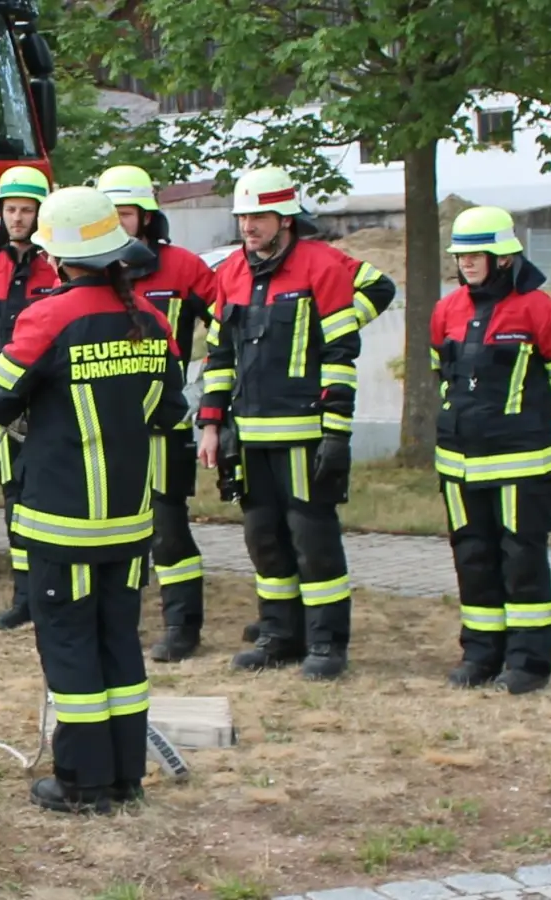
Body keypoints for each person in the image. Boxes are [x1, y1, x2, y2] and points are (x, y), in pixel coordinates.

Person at [0, 185, 186, 814]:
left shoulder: (47, 316)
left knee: (70, 650)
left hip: (61, 524)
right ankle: (126, 776)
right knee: (118, 644)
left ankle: (81, 783)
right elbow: (169, 410)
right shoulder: (151, 322)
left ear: (56, 255)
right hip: (128, 524)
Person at [196, 166, 361, 681]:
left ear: (285, 218)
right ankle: (279, 635)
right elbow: (219, 355)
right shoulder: (231, 273)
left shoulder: (324, 266)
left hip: (305, 433)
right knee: (263, 539)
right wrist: (211, 425)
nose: (249, 226)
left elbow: (340, 353)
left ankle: (327, 642)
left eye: (260, 216)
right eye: (244, 216)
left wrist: (336, 431)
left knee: (313, 542)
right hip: (250, 435)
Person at [430, 206, 551, 695]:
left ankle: (529, 662)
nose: (467, 262)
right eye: (461, 254)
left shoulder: (540, 309)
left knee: (521, 561)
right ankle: (480, 653)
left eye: (477, 254)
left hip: (522, 464)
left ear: (505, 256)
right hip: (459, 464)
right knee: (472, 557)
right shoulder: (447, 309)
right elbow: (441, 371)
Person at [96, 165, 219, 662]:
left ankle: (181, 627)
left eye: (124, 214)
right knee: (113, 527)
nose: (117, 223)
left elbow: (229, 324)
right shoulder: (92, 270)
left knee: (169, 527)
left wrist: (210, 387)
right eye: (108, 215)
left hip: (165, 425)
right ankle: (118, 620)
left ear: (146, 217)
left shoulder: (184, 267)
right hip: (106, 425)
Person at [0, 165, 59, 631]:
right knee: (14, 499)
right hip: (8, 405)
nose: (18, 218)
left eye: (27, 210)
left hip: (49, 402)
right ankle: (23, 595)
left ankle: (50, 592)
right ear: (0, 213)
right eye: (11, 210)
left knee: (49, 497)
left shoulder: (56, 265)